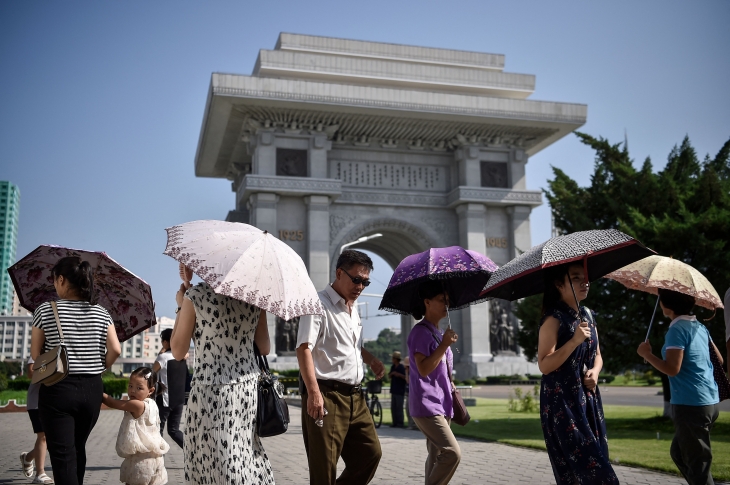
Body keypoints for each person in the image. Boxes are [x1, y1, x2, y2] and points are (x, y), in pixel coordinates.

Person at [171, 275, 274, 484]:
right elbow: (264, 348)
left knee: (214, 461)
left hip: (212, 389)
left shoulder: (196, 295)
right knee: (243, 455)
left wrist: (181, 306)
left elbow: (178, 351)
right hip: (246, 389)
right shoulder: (254, 296)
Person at [31, 256, 122, 485]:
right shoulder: (101, 312)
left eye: (54, 280)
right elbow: (116, 350)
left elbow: (36, 355)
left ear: (61, 279)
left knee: (62, 455)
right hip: (91, 389)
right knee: (77, 447)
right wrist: (100, 365)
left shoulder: (45, 310)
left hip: (57, 388)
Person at [296, 249, 384, 485]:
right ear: (339, 273)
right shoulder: (316, 303)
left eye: (365, 282)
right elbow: (303, 347)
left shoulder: (352, 307)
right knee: (324, 468)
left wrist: (371, 359)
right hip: (327, 394)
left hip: (356, 396)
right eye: (356, 279)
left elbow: (351, 346)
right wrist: (314, 393)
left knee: (370, 454)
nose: (361, 286)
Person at [537, 263, 617, 485]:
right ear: (559, 285)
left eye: (585, 277)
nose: (585, 282)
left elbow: (598, 354)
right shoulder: (553, 319)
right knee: (593, 476)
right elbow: (544, 364)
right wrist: (574, 341)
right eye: (575, 278)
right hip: (562, 403)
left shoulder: (588, 315)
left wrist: (595, 371)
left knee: (597, 462)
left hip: (588, 400)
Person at [637, 288, 721, 485]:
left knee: (698, 465)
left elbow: (672, 369)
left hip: (691, 404)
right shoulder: (699, 326)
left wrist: (646, 355)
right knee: (679, 453)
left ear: (666, 305)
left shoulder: (676, 329)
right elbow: (719, 359)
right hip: (709, 401)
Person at [407, 280, 461, 485]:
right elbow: (423, 369)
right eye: (441, 300)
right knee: (452, 452)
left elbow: (439, 370)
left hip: (441, 401)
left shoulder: (437, 333)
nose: (446, 305)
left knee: (436, 454)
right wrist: (444, 345)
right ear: (427, 302)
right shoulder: (420, 332)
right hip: (426, 404)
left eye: (447, 301)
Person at [102, 367, 170, 485]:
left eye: (139, 388)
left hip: (140, 461)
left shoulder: (137, 405)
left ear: (150, 390)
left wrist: (95, 388)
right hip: (156, 459)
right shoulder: (153, 404)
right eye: (130, 386)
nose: (133, 391)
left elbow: (112, 402)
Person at [20, 356, 54, 484]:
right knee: (43, 436)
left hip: (57, 402)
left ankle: (27, 457)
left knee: (52, 440)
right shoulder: (39, 352)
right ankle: (40, 473)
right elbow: (30, 373)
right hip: (37, 402)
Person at [152, 329, 183, 448]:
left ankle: (159, 459)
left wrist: (160, 353)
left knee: (157, 430)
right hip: (179, 400)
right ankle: (192, 452)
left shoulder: (163, 357)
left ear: (165, 342)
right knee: (174, 430)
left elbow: (151, 373)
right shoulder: (182, 356)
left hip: (165, 399)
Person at [388, 351, 407, 427]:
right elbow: (389, 376)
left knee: (399, 407)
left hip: (400, 390)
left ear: (396, 359)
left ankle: (400, 422)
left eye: (393, 358)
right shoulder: (393, 367)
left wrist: (398, 375)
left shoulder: (401, 367)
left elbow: (405, 377)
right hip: (394, 389)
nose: (392, 359)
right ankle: (394, 422)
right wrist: (392, 374)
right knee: (393, 407)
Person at [402, 356, 416, 430]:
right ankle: (411, 424)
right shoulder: (408, 372)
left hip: (412, 394)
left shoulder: (412, 372)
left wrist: (406, 372)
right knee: (407, 409)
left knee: (410, 409)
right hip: (408, 393)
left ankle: (412, 425)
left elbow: (408, 381)